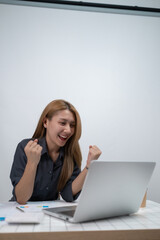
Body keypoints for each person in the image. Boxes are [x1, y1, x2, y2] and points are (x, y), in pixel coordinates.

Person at [10, 99, 102, 204]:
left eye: (72, 125)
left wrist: (89, 166)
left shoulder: (70, 155)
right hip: (20, 213)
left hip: (50, 212)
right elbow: (21, 198)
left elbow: (68, 195)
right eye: (62, 123)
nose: (68, 130)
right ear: (45, 122)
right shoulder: (25, 147)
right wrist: (32, 162)